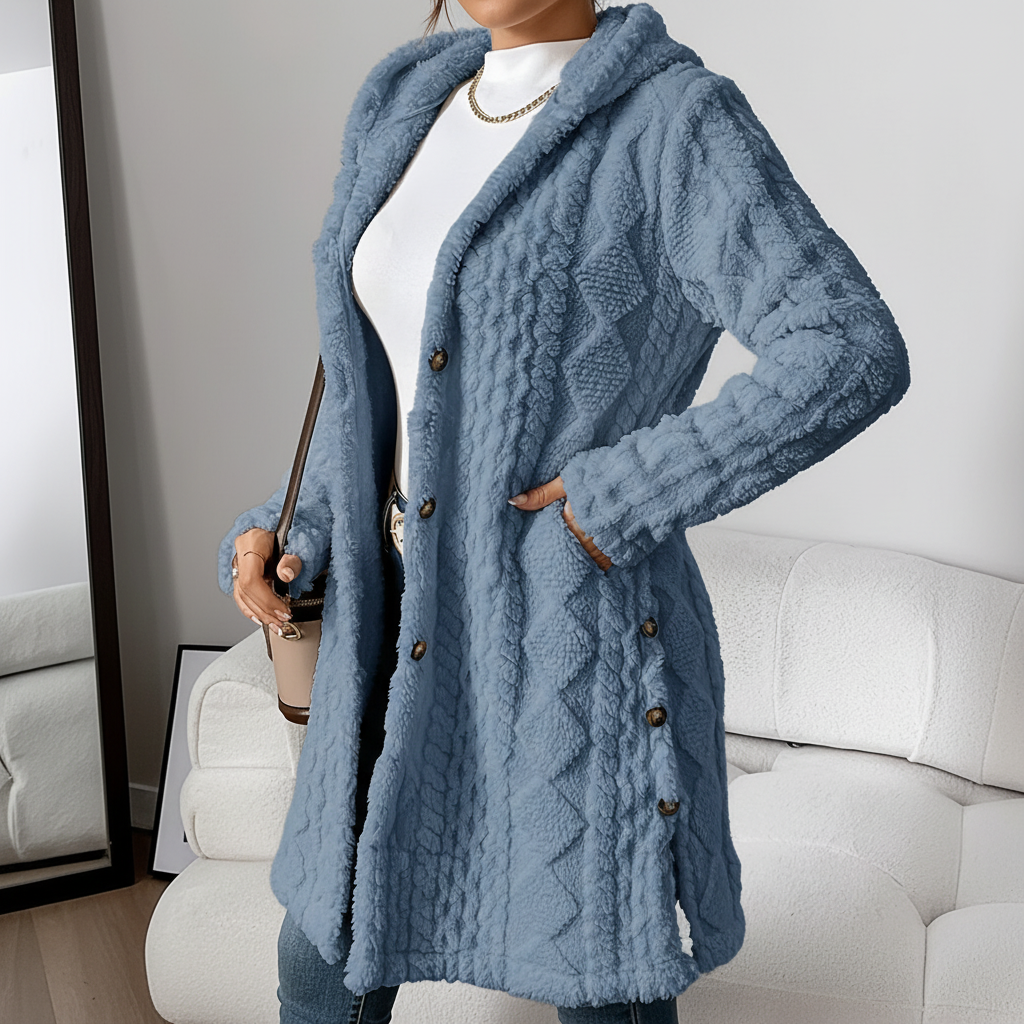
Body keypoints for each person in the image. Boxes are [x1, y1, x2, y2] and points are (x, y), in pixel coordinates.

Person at [221, 1, 911, 1022]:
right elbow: (368, 373)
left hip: (566, 643)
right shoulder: (402, 100)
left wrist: (617, 495)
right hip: (383, 626)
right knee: (318, 969)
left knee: (598, 981)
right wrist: (300, 526)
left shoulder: (674, 123)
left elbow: (847, 346)